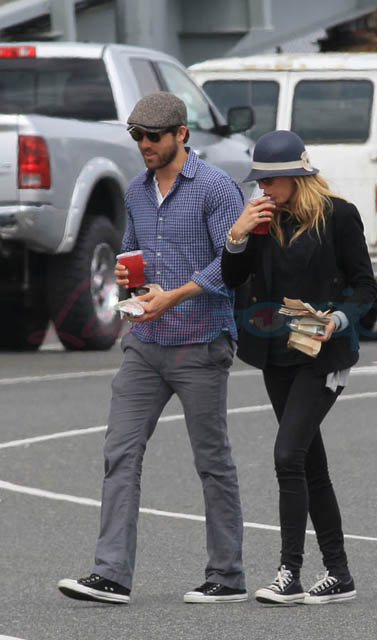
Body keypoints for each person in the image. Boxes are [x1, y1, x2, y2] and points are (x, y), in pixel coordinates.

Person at [58, 92, 247, 605]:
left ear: (181, 134)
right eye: (136, 135)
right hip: (144, 342)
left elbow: (233, 266)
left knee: (212, 461)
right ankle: (110, 574)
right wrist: (128, 275)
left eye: (153, 136)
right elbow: (132, 249)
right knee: (120, 452)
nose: (143, 144)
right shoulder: (137, 190)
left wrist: (174, 296)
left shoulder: (216, 188)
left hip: (201, 342)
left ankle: (227, 576)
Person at [221, 130, 377, 605]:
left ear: (296, 176)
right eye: (259, 182)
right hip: (276, 353)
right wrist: (237, 235)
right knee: (310, 464)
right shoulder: (261, 219)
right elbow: (232, 278)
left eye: (270, 181)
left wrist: (337, 319)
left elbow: (365, 287)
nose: (263, 189)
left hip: (323, 352)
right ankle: (339, 574)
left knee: (287, 455)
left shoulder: (338, 215)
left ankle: (289, 572)